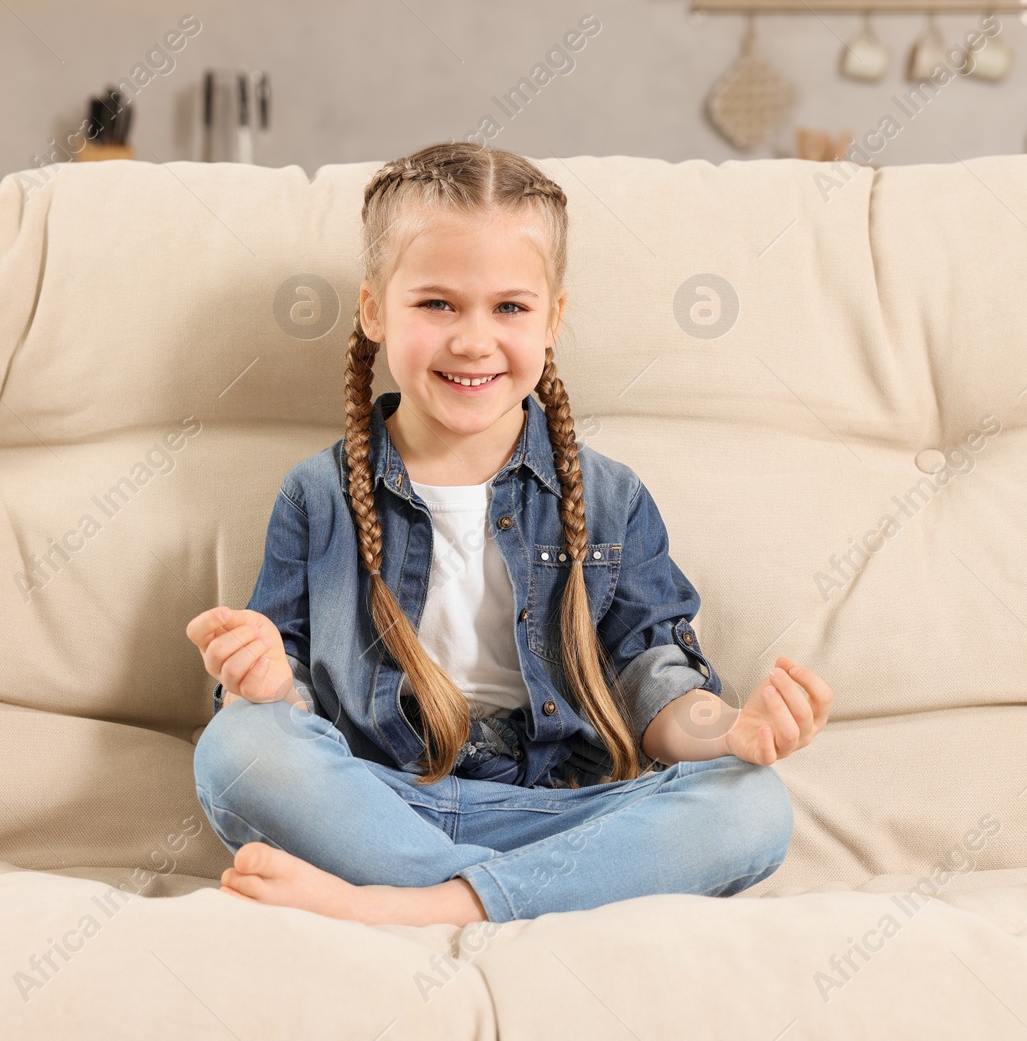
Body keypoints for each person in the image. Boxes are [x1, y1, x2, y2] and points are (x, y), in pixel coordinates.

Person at [189, 140, 832, 927]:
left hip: (566, 810)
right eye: (437, 304)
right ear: (373, 310)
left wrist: (734, 728)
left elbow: (650, 674)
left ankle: (416, 906)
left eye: (510, 307)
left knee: (751, 804)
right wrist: (262, 686)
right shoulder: (316, 495)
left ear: (552, 318)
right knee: (237, 750)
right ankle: (527, 897)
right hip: (385, 803)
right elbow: (286, 693)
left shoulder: (610, 496)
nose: (472, 339)